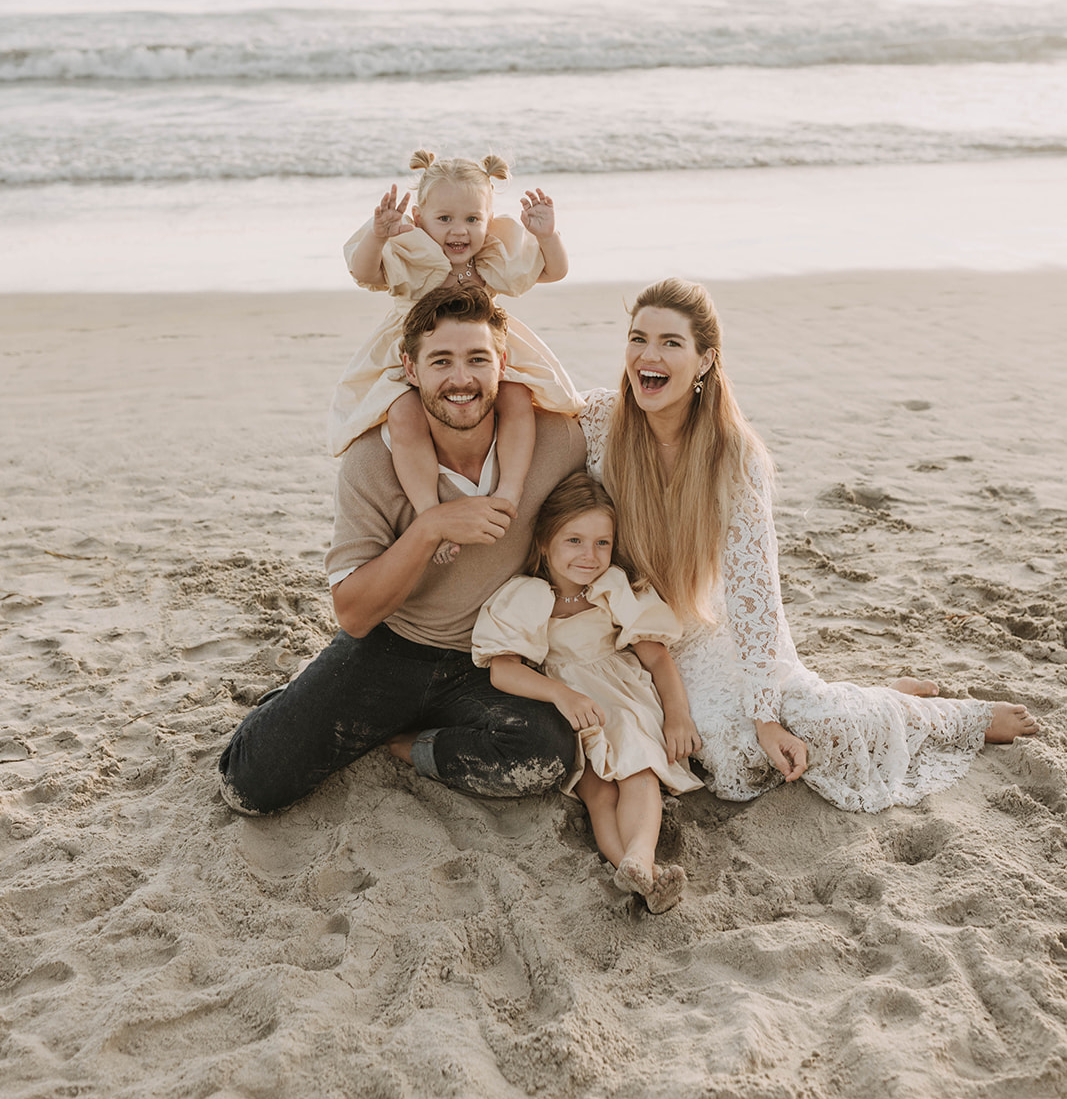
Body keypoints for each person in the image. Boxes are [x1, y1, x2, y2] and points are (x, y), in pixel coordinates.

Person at [579, 278, 1040, 812]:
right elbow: (522, 379)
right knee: (731, 758)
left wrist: (766, 713)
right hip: (626, 632)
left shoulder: (733, 457)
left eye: (670, 343)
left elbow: (756, 594)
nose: (647, 356)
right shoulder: (599, 420)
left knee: (799, 734)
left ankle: (956, 716)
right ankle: (874, 695)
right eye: (638, 339)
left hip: (706, 628)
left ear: (705, 360)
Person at [219, 285, 587, 816]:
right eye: (442, 361)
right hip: (392, 646)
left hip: (490, 659)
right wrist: (431, 526)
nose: (461, 379)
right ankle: (301, 692)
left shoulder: (557, 442)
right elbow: (353, 613)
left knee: (546, 753)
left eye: (477, 359)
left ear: (502, 364)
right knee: (248, 786)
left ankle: (408, 742)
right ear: (410, 370)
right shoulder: (371, 461)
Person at [328, 149, 580, 563]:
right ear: (422, 219)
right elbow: (364, 272)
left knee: (517, 397)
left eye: (472, 219)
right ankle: (431, 512)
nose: (458, 231)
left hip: (482, 350)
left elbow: (553, 271)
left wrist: (548, 236)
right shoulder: (409, 252)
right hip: (416, 353)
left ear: (488, 220)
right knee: (404, 414)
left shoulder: (491, 259)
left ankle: (509, 493)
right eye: (444, 219)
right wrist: (377, 235)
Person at [472, 473, 703, 913]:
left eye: (602, 543)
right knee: (598, 792)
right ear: (544, 542)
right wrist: (561, 695)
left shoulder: (612, 588)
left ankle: (640, 860)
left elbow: (657, 660)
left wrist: (677, 716)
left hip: (622, 699)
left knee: (639, 773)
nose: (589, 556)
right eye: (574, 540)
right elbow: (503, 671)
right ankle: (640, 873)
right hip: (571, 705)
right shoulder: (526, 595)